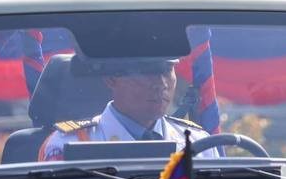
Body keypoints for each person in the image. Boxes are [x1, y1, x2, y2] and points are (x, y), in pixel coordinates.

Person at [38, 57, 214, 161]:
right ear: (112, 79)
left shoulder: (199, 143)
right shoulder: (68, 144)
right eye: (147, 71)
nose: (161, 84)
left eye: (167, 70)